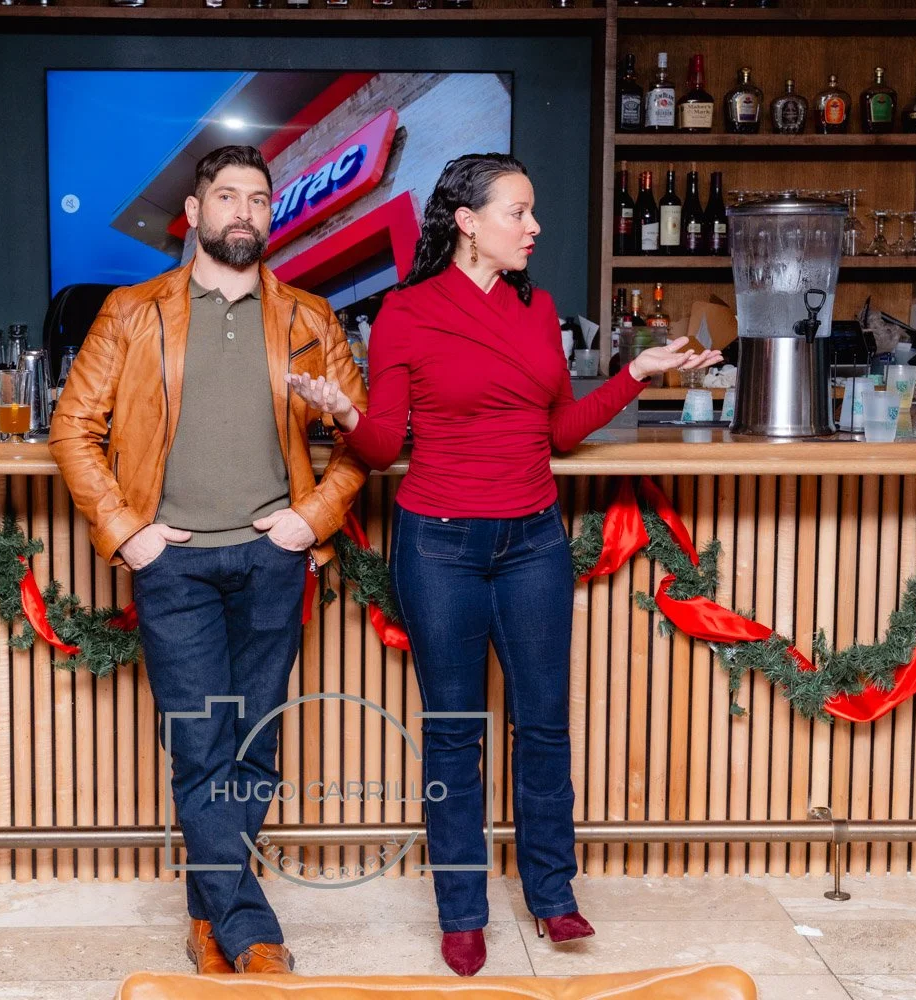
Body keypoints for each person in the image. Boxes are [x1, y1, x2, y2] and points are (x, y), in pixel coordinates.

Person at [287, 152, 720, 977]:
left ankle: (553, 895)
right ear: (468, 222)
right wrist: (342, 409)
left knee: (545, 724)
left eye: (531, 212)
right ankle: (461, 910)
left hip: (533, 542)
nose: (534, 227)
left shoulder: (538, 309)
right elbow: (381, 449)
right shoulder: (406, 313)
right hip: (439, 543)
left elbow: (557, 433)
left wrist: (636, 373)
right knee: (455, 736)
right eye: (518, 212)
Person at [50, 145, 370, 975]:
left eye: (258, 199)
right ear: (192, 214)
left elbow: (362, 443)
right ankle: (248, 930)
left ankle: (206, 915)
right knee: (200, 745)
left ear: (273, 214)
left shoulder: (309, 317)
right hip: (175, 564)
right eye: (225, 197)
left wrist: (311, 518)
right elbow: (72, 430)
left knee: (253, 748)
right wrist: (129, 532)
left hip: (273, 559)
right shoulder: (132, 311)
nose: (243, 212)